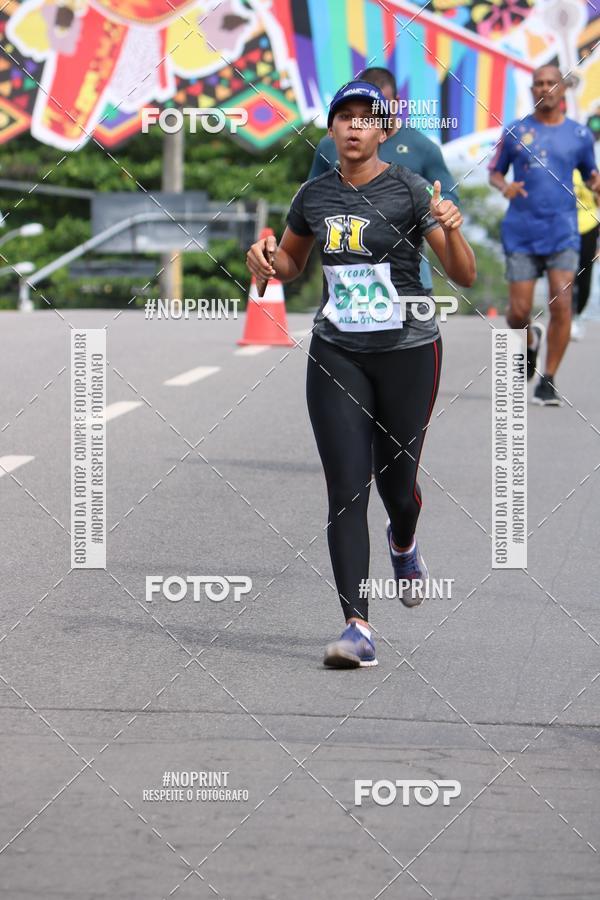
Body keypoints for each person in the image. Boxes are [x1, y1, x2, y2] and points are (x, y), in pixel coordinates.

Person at [246, 80, 476, 668]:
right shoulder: (313, 195)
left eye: (365, 117)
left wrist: (451, 228)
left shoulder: (411, 189)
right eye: (342, 117)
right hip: (336, 351)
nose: (353, 126)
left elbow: (464, 275)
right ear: (331, 131)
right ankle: (357, 626)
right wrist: (269, 262)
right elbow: (294, 263)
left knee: (397, 487)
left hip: (407, 349)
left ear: (385, 130)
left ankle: (405, 541)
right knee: (347, 489)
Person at [488, 65, 600, 406]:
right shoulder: (516, 131)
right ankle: (530, 341)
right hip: (521, 231)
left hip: (562, 230)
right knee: (518, 312)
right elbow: (494, 172)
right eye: (539, 83)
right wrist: (505, 187)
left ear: (563, 90)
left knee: (561, 301)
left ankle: (548, 379)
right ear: (532, 89)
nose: (545, 88)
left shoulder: (579, 136)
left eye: (551, 83)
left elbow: (591, 175)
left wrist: (596, 187)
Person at [309, 67, 459, 297]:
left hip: (409, 279)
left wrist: (442, 210)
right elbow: (311, 199)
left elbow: (446, 194)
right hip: (347, 279)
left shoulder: (422, 148)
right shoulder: (329, 146)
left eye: (380, 106)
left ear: (396, 103)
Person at [571, 113, 600, 339]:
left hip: (590, 224)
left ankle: (577, 316)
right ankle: (565, 315)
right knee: (564, 272)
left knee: (585, 275)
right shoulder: (572, 155)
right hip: (565, 224)